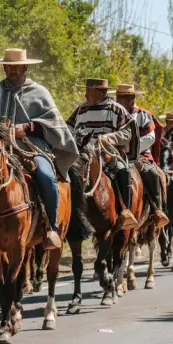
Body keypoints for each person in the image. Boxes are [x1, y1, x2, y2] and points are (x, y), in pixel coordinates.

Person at [0, 49, 78, 250]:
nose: (13, 70)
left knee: (46, 176)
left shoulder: (40, 92)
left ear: (25, 67)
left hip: (31, 148)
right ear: (3, 67)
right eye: (9, 66)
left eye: (17, 67)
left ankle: (51, 229)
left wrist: (28, 128)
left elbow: (55, 123)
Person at [66, 78, 139, 231]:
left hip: (107, 153)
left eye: (88, 91)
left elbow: (128, 133)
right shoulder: (81, 109)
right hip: (83, 154)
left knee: (123, 170)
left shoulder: (117, 109)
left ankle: (126, 211)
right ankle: (68, 214)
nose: (85, 95)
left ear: (99, 92)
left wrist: (108, 138)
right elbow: (68, 128)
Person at [110, 84, 171, 228]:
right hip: (113, 153)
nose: (121, 100)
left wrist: (130, 149)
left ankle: (157, 210)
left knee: (152, 174)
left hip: (140, 154)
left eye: (124, 97)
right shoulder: (113, 114)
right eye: (119, 97)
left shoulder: (144, 114)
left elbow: (150, 137)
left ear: (132, 98)